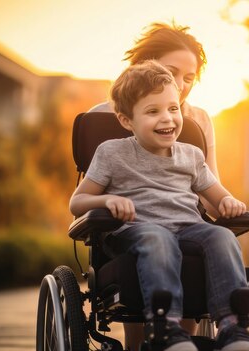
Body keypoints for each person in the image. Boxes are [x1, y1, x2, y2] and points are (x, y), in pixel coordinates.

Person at [70, 60, 249, 351]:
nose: (168, 119)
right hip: (136, 231)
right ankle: (167, 329)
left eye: (173, 109)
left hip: (189, 229)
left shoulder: (192, 155)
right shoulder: (112, 153)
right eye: (153, 111)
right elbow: (77, 202)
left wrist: (229, 203)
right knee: (158, 237)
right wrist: (107, 200)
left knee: (221, 235)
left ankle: (233, 328)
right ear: (126, 120)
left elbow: (219, 196)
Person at [88, 22, 221, 349]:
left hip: (185, 222)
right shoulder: (103, 116)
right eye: (171, 71)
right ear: (144, 64)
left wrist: (227, 204)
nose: (180, 84)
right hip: (131, 227)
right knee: (153, 242)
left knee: (206, 246)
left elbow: (212, 187)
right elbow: (91, 191)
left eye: (189, 78)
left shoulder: (198, 121)